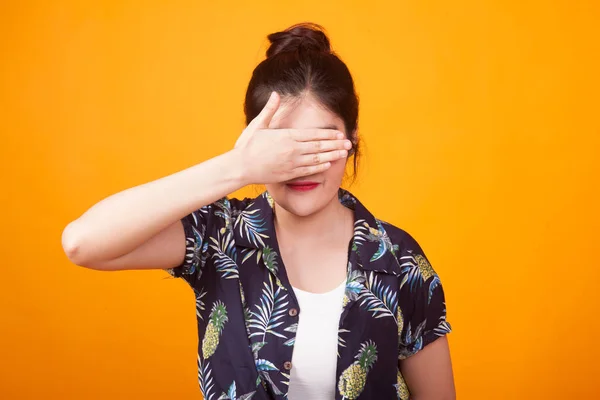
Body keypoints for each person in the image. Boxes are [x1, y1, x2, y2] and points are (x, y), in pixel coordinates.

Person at [62, 22, 455, 400]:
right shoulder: (220, 235)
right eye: (284, 146)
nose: (303, 165)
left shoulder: (399, 258)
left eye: (319, 144)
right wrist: (238, 166)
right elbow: (82, 243)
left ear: (351, 140)